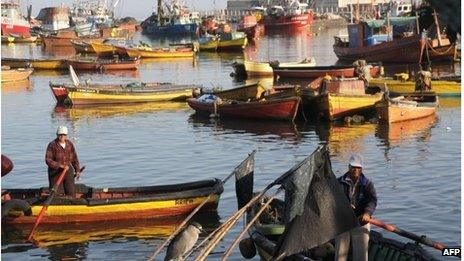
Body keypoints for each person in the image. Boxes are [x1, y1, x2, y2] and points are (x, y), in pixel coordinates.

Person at [335, 153, 377, 261]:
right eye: (353, 167)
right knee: (340, 255)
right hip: (343, 222)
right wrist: (344, 205)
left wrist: (367, 213)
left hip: (361, 222)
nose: (356, 170)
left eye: (358, 167)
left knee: (361, 255)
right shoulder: (338, 182)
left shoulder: (367, 184)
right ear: (349, 167)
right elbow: (333, 200)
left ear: (362, 168)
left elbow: (372, 200)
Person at [45, 126, 80, 197]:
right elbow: (48, 160)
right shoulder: (52, 145)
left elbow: (74, 158)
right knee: (55, 194)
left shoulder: (70, 144)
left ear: (66, 136)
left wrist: (77, 170)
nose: (62, 136)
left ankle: (71, 204)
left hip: (68, 170)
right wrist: (61, 166)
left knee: (71, 192)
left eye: (64, 135)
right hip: (55, 172)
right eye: (60, 134)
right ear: (57, 135)